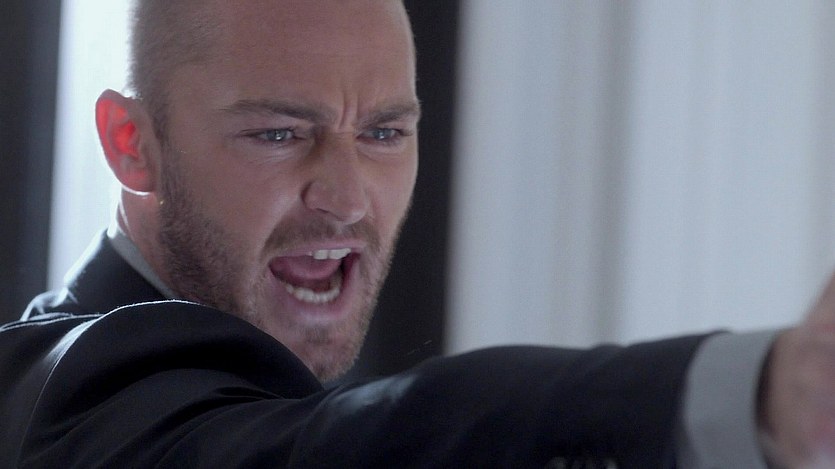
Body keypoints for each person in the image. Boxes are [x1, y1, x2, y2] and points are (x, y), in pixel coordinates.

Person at [0, 0, 833, 466]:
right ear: (132, 144)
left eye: (384, 133)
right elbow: (359, 446)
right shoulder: (79, 403)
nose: (345, 197)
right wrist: (759, 393)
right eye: (278, 133)